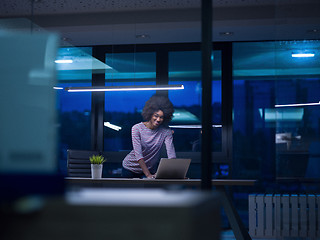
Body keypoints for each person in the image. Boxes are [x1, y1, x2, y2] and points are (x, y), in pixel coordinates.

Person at [122, 94, 176, 178]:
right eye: (156, 116)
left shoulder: (166, 131)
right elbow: (138, 154)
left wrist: (177, 174)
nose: (158, 120)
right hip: (130, 168)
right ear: (150, 114)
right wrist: (148, 175)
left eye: (161, 117)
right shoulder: (137, 128)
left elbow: (171, 154)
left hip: (150, 170)